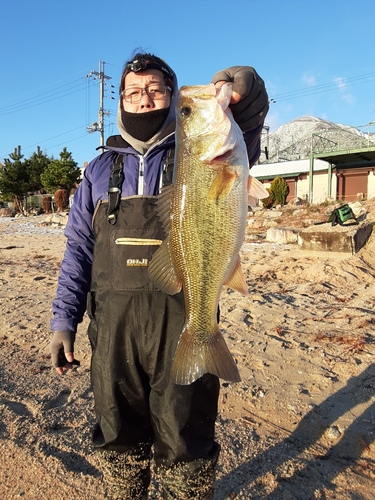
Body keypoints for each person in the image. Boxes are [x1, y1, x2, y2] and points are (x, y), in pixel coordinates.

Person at [50, 51, 269, 500]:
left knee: (185, 441)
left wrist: (247, 87)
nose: (144, 98)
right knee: (118, 435)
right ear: (122, 103)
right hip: (113, 335)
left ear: (169, 97)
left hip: (182, 321)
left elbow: (247, 113)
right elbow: (77, 252)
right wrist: (62, 321)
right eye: (134, 91)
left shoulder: (197, 150)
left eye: (155, 90)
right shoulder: (95, 172)